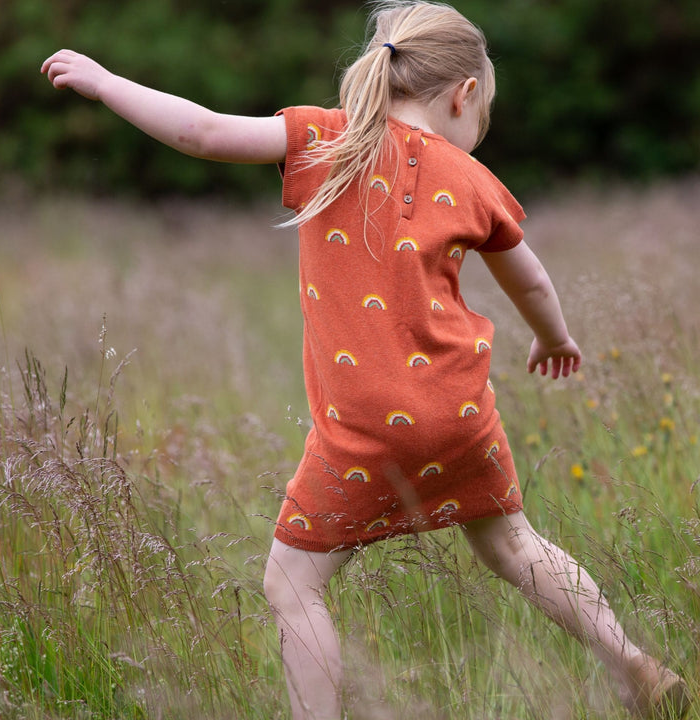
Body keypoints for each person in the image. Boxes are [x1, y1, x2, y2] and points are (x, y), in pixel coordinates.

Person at [41, 2, 691, 718]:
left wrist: (107, 84)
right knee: (511, 542)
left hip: (365, 424)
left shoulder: (326, 139)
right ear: (463, 94)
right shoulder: (472, 180)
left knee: (293, 585)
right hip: (459, 410)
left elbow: (202, 132)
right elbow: (530, 279)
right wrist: (555, 339)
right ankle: (631, 664)